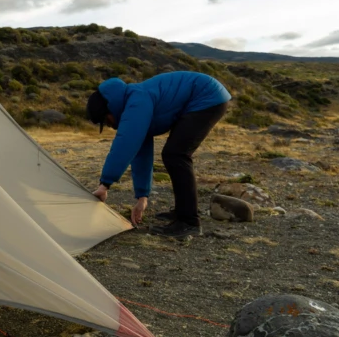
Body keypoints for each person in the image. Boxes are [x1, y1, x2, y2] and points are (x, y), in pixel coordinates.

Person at [85, 71, 232, 238]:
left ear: (109, 107)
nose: (110, 125)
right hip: (204, 97)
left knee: (176, 155)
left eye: (106, 120)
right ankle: (182, 212)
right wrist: (142, 197)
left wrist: (104, 184)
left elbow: (125, 143)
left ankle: (188, 222)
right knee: (174, 154)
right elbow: (140, 151)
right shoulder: (133, 102)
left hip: (206, 97)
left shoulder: (136, 101)